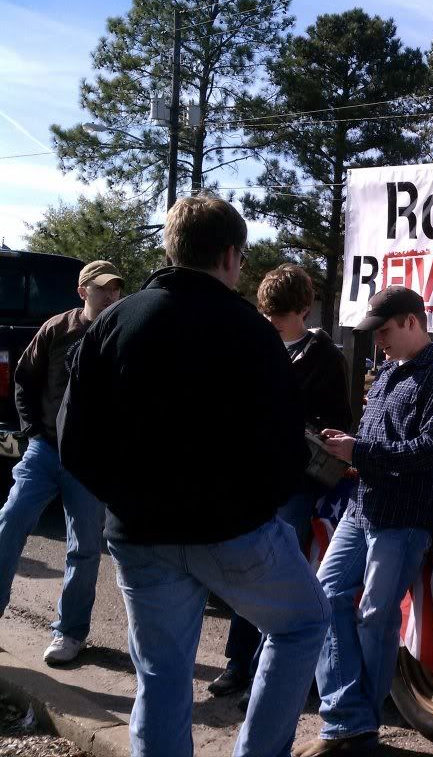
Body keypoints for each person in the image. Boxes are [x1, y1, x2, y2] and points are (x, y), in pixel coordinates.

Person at [58, 196, 330, 757]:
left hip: (139, 535)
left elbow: (74, 438)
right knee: (303, 624)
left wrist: (126, 499)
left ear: (170, 247)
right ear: (231, 256)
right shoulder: (254, 334)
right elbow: (286, 444)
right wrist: (253, 506)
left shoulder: (115, 321)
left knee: (160, 676)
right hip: (235, 533)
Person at [292, 286, 433, 757]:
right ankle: (349, 720)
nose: (379, 343)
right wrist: (349, 442)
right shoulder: (390, 370)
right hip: (364, 507)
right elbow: (381, 439)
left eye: (385, 331)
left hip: (406, 517)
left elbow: (430, 452)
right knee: (325, 596)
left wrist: (358, 450)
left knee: (375, 618)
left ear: (413, 322)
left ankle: (354, 731)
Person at [209, 263, 353, 699]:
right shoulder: (254, 345)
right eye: (266, 313)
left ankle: (261, 670)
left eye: (278, 316)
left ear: (303, 311)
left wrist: (301, 426)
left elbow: (340, 423)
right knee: (244, 568)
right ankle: (239, 662)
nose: (270, 322)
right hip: (254, 476)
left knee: (270, 570)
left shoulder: (326, 357)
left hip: (296, 478)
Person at [0, 260, 122, 665]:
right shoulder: (57, 328)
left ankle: (69, 634)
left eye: (115, 289)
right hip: (45, 450)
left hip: (89, 462)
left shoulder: (121, 333)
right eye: (102, 288)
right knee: (10, 522)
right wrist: (32, 430)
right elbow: (24, 378)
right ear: (82, 290)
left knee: (85, 547)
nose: (110, 296)